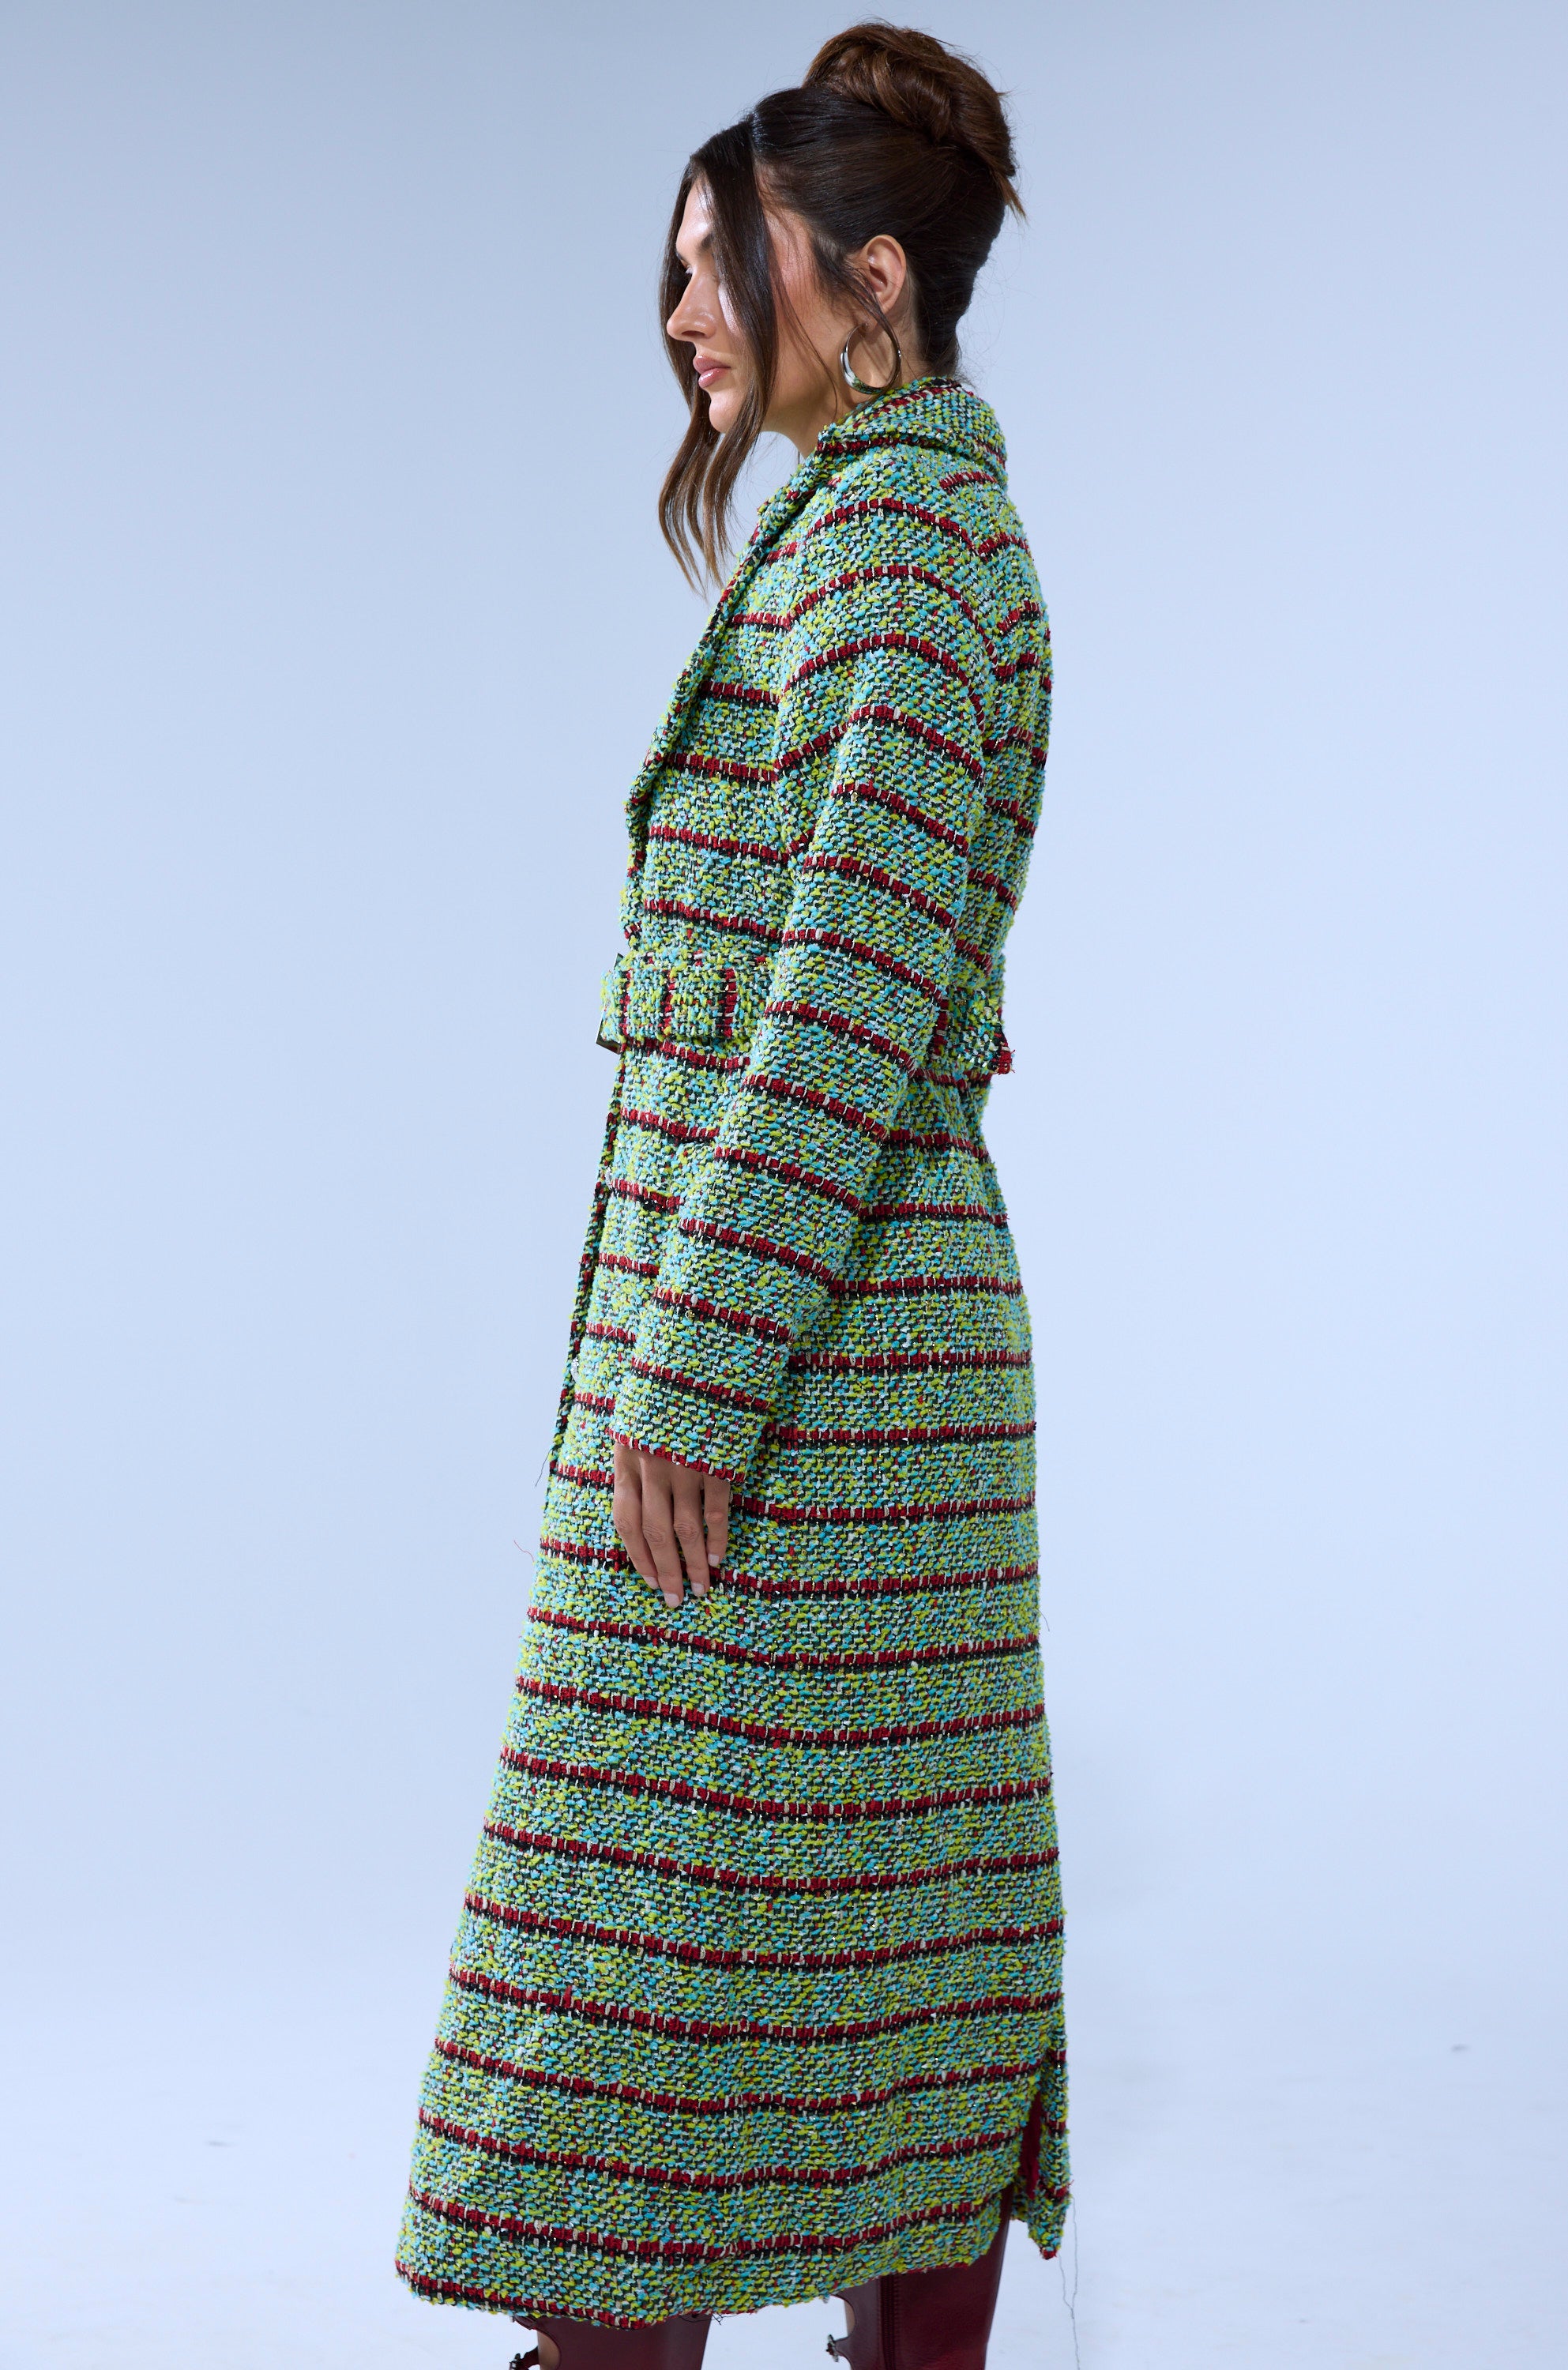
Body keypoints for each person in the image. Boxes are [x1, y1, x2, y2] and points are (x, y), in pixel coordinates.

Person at [396, 25, 1067, 2368]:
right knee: (865, 1953)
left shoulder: (886, 548)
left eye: (721, 266)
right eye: (672, 266)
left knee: (634, 2000)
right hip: (853, 1365)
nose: (681, 314)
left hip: (798, 1395)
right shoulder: (890, 523)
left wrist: (681, 1384)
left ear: (864, 283)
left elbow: (843, 998)